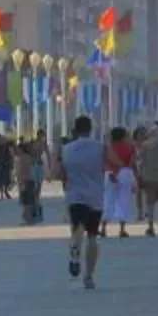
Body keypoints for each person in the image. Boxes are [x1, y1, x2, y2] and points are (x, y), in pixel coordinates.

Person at [59, 116, 108, 288]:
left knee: (78, 227)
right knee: (93, 236)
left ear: (75, 129)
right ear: (91, 128)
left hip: (75, 195)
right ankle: (88, 276)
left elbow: (58, 173)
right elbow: (113, 164)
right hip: (95, 196)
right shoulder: (101, 148)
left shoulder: (66, 149)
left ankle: (74, 254)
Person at [100, 125, 137, 237]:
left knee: (108, 200)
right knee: (123, 200)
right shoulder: (130, 147)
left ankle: (103, 228)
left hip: (110, 173)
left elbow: (104, 161)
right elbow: (131, 163)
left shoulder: (108, 147)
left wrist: (112, 172)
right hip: (125, 173)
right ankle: (122, 229)